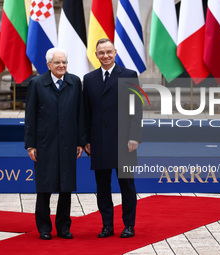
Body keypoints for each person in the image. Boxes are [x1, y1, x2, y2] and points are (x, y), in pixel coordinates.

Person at [24, 48, 86, 240]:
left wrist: (80, 142)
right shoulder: (36, 83)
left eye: (64, 62)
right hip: (44, 143)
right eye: (58, 63)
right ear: (48, 65)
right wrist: (31, 144)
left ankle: (63, 227)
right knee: (44, 186)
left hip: (68, 143)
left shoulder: (74, 82)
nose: (62, 66)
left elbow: (80, 113)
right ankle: (44, 228)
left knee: (66, 186)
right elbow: (30, 116)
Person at [83, 39, 142, 238]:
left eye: (109, 52)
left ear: (115, 52)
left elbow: (136, 109)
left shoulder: (128, 75)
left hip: (124, 141)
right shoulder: (89, 79)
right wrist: (86, 140)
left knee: (126, 185)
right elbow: (86, 113)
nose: (105, 56)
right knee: (102, 186)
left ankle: (129, 225)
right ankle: (107, 225)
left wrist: (134, 136)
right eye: (101, 53)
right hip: (98, 141)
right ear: (96, 55)